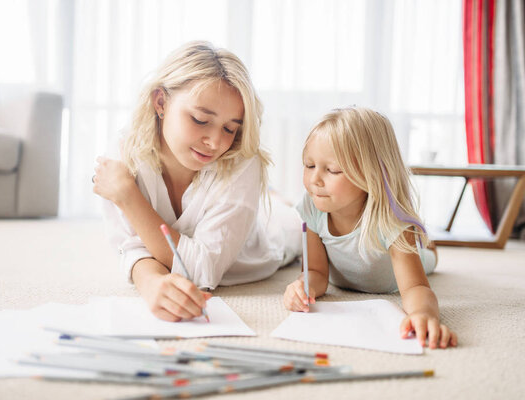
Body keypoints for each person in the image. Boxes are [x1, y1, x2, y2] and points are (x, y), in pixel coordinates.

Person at [93, 41, 300, 322]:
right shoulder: (124, 155)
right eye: (201, 119)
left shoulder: (241, 161)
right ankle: (269, 199)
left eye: (230, 128)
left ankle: (276, 201)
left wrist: (129, 195)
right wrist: (151, 284)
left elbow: (202, 272)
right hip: (228, 210)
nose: (215, 142)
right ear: (161, 102)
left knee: (295, 220)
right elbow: (132, 245)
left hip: (265, 241)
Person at [284, 107, 458, 349]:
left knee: (427, 257)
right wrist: (303, 286)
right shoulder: (311, 205)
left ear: (371, 174)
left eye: (332, 170)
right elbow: (317, 272)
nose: (315, 179)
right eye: (309, 165)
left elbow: (415, 287)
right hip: (344, 276)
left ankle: (427, 244)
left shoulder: (393, 221)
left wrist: (424, 315)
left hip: (391, 278)